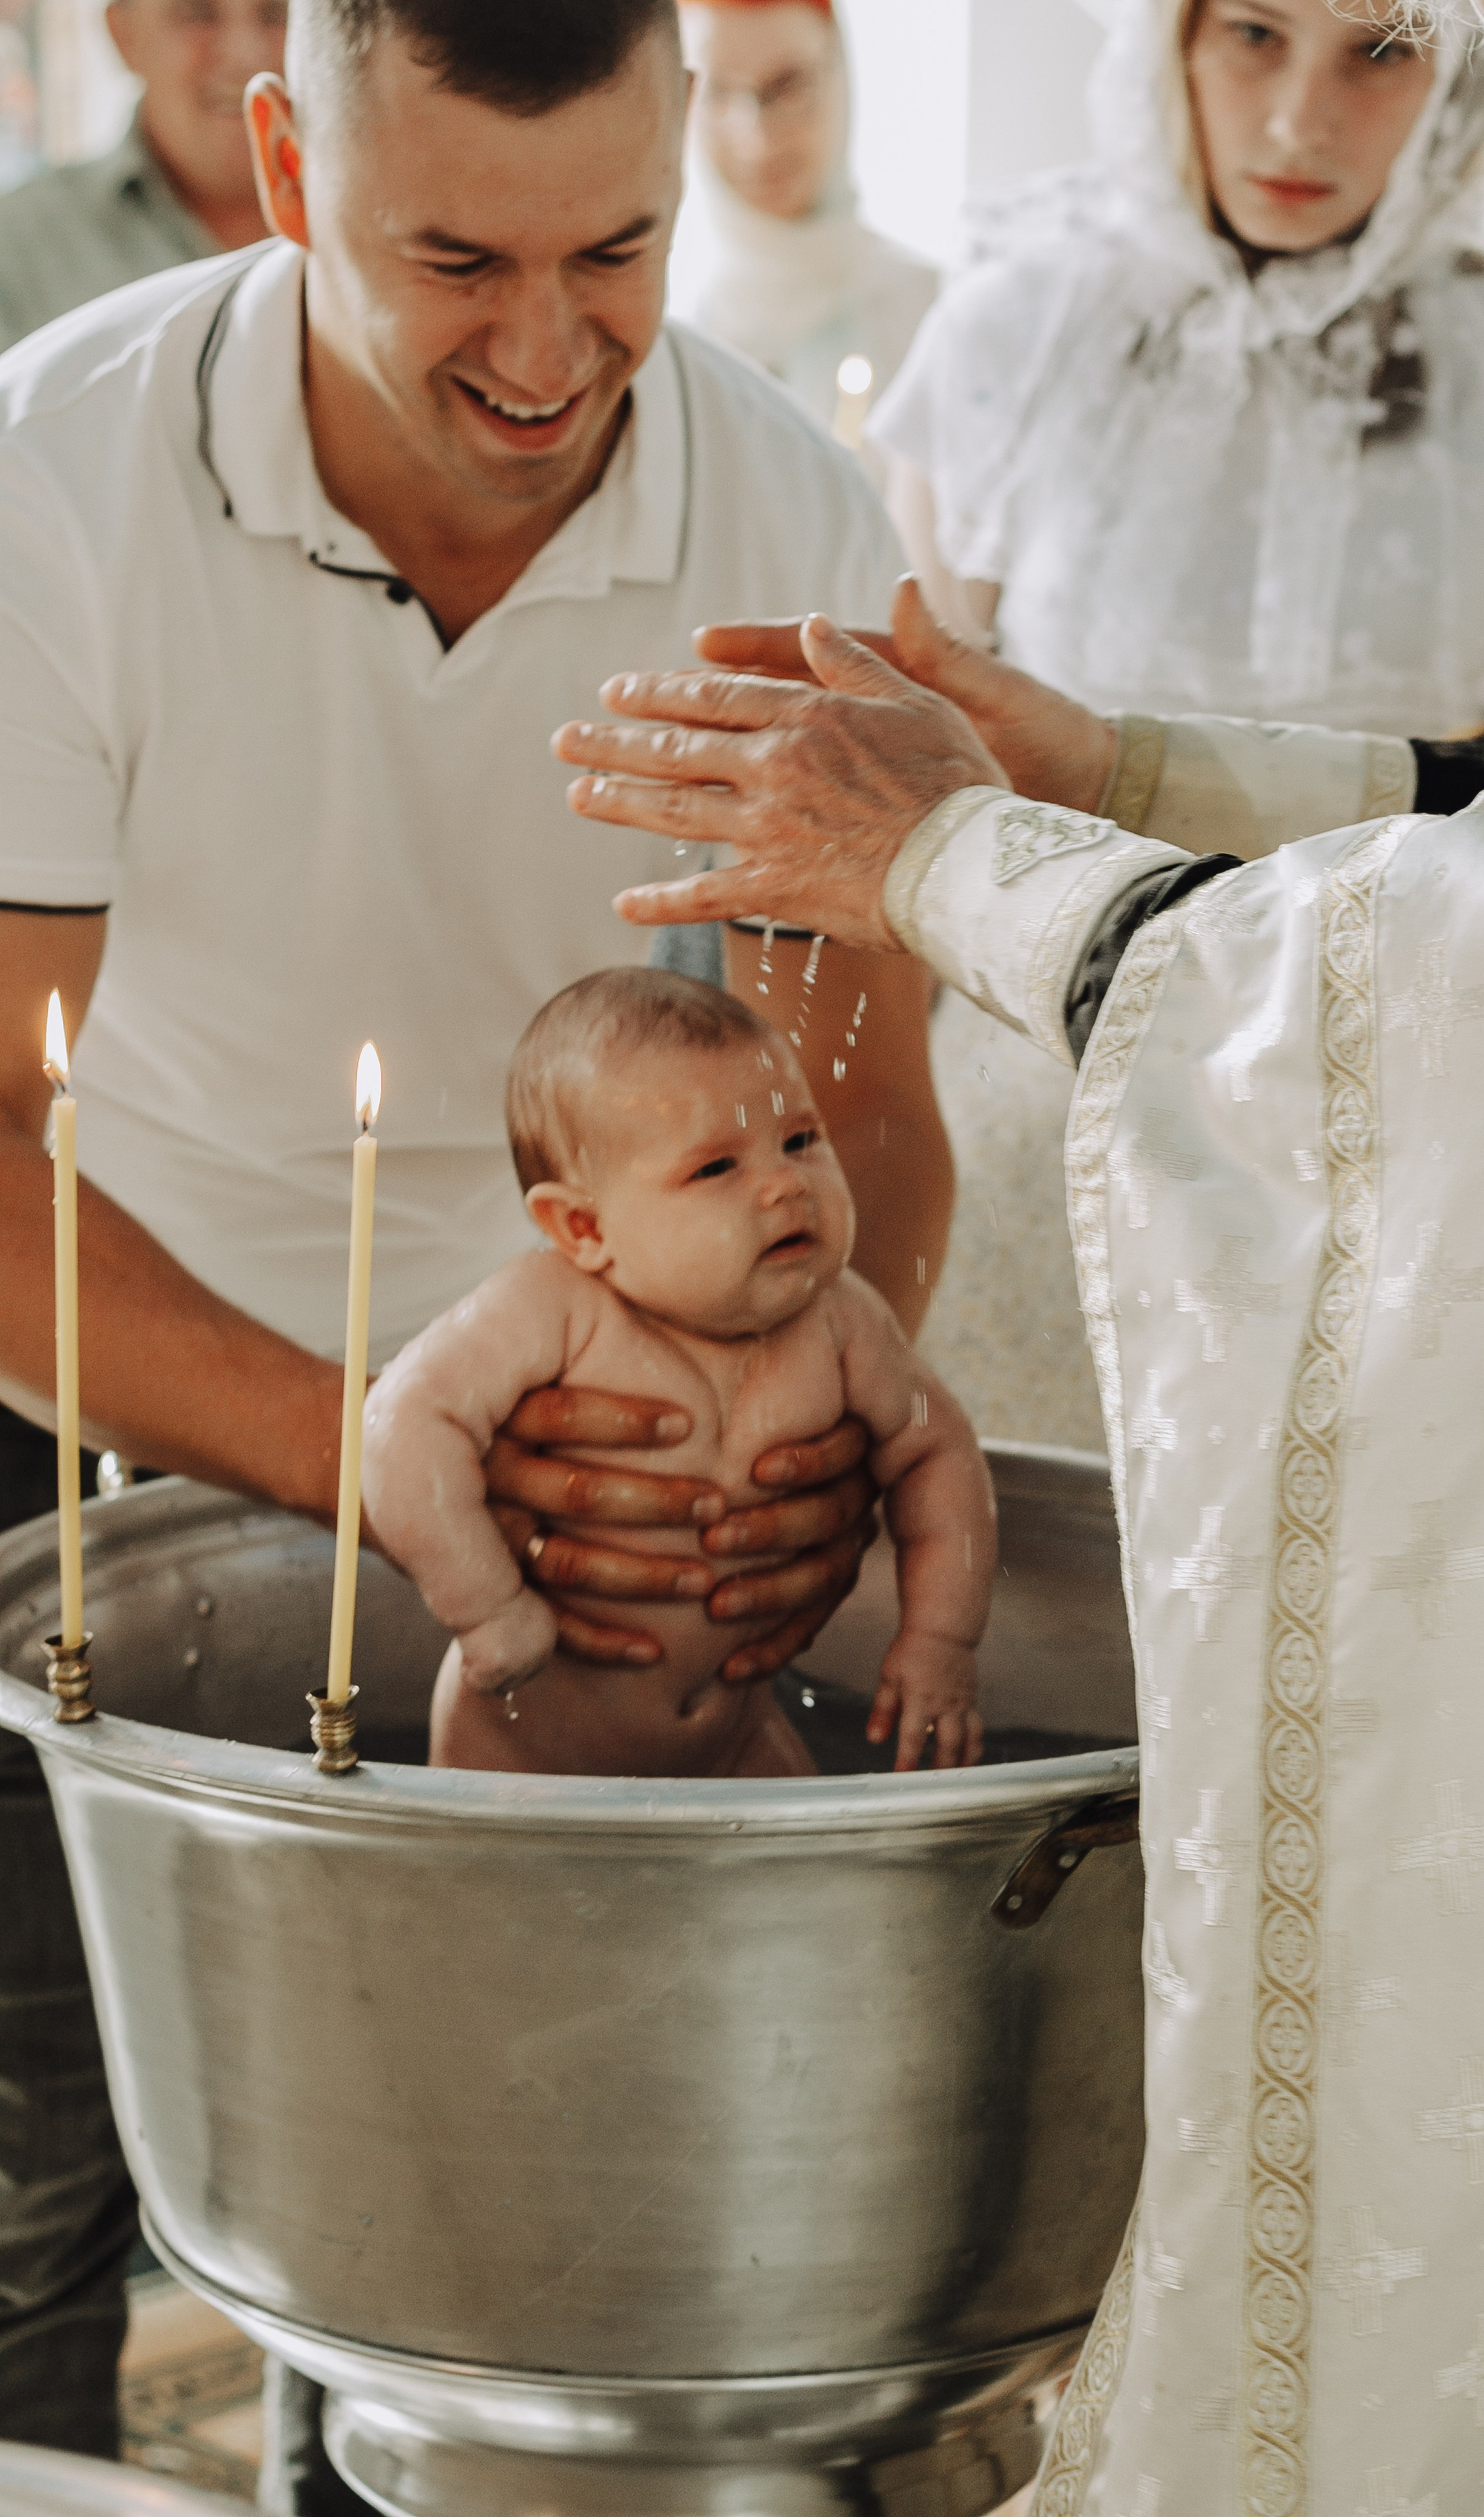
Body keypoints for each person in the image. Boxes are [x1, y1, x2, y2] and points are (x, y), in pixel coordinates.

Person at [553, 20, 1484, 2450]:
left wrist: (962, 858)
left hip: (1384, 1229)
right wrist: (1098, 776)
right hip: (1170, 1150)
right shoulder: (1029, 324)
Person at [0, 0, 950, 2489]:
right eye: (453, 260)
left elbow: (860, 1114)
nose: (547, 356)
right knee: (19, 2219)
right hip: (103, 1413)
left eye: (616, 250)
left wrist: (781, 1461)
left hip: (619, 1488)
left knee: (467, 2274)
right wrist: (389, 1462)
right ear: (292, 166)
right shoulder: (52, 476)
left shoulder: (783, 517)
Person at [869, 0, 1484, 1457]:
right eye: (1251, 35)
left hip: (1397, 1100)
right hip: (1044, 1085)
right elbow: (932, 721)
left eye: (1376, 53)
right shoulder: (1011, 332)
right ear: (1164, 43)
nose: (1302, 117)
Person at [365, 968, 992, 1780]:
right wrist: (489, 1608)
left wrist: (940, 1638)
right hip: (522, 1759)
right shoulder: (550, 1309)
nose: (785, 1183)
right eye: (715, 1168)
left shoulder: (843, 1320)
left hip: (736, 1745)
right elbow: (400, 1427)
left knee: (808, 1882)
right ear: (583, 1226)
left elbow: (942, 1456)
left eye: (801, 1139)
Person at [667, 0, 937, 471]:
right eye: (718, 91)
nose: (759, 136)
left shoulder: (933, 317)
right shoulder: (657, 344)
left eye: (788, 86)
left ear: (841, 74)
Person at [0, 0, 289, 354]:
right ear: (123, 35)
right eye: (197, 14)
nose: (246, 54)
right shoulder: (17, 252)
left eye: (279, 13)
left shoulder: (369, 231)